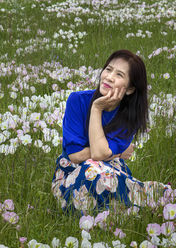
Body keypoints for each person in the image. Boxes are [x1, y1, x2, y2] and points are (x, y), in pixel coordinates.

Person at [52, 49, 168, 214]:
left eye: (119, 75)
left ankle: (113, 208)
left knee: (105, 175)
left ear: (130, 89)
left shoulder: (129, 117)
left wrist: (108, 153)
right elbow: (76, 156)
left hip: (108, 170)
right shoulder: (77, 100)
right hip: (70, 172)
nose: (109, 77)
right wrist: (116, 153)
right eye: (108, 69)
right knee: (93, 171)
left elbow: (100, 154)